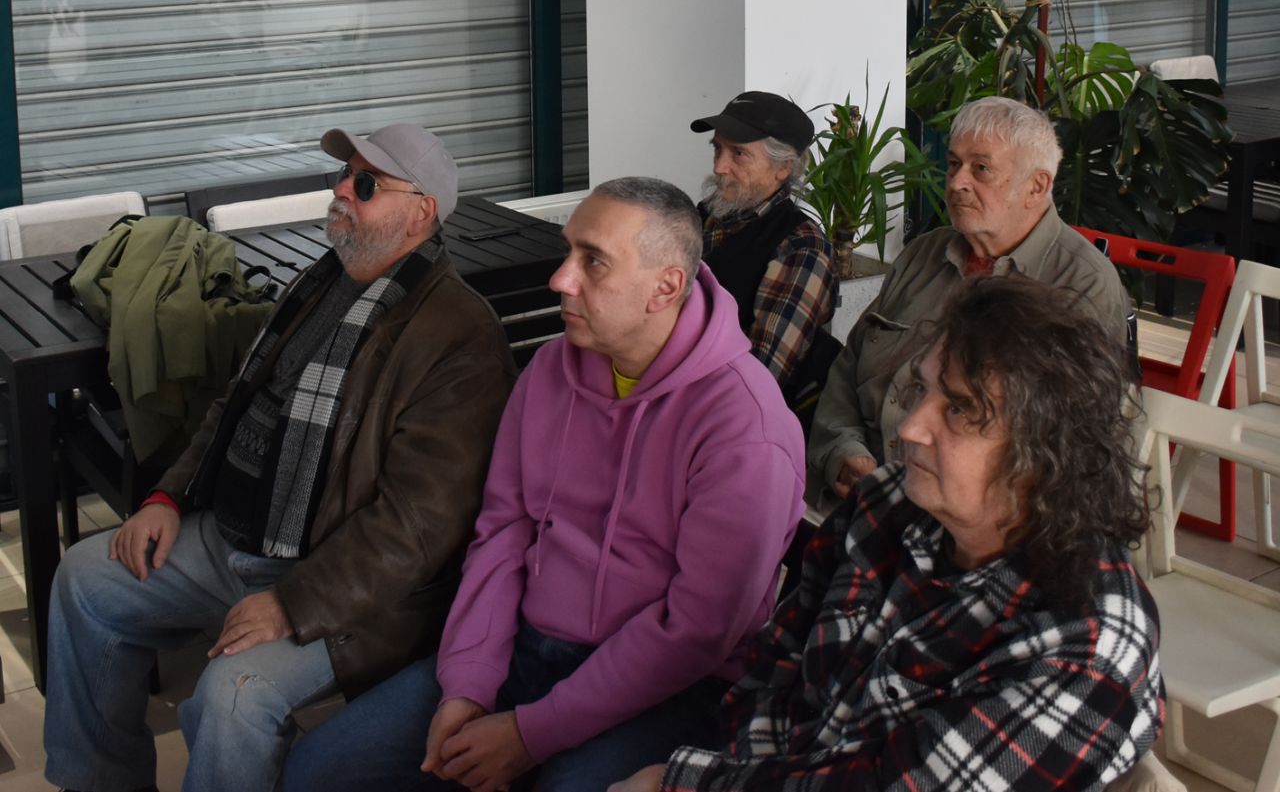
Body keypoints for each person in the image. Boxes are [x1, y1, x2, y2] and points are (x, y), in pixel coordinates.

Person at [281, 176, 807, 792]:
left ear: (665, 287)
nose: (560, 279)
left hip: (673, 687)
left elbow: (696, 631)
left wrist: (532, 734)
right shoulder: (550, 370)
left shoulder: (746, 427)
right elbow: (502, 532)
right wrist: (468, 682)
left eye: (594, 262)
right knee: (319, 769)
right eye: (568, 252)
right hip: (526, 648)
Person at [43, 124, 517, 792]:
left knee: (233, 695)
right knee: (86, 581)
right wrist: (168, 496)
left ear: (421, 212)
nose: (342, 190)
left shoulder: (459, 335)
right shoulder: (319, 283)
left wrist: (293, 604)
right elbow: (233, 408)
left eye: (367, 183)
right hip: (236, 541)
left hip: (344, 590)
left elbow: (417, 527)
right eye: (344, 175)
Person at [611, 275, 1162, 792]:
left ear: (1045, 452)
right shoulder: (887, 503)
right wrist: (730, 768)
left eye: (960, 409)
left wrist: (685, 782)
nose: (911, 426)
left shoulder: (1087, 647)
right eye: (923, 390)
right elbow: (773, 671)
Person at [807, 95, 1132, 509]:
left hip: (976, 511)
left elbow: (1068, 442)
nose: (958, 182)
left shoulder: (1080, 284)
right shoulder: (923, 254)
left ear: (1036, 186)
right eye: (954, 164)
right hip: (863, 493)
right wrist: (842, 449)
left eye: (981, 168)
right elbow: (850, 364)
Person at [692, 90, 837, 392]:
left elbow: (759, 379)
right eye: (717, 148)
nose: (719, 167)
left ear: (784, 168)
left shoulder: (801, 248)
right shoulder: (703, 217)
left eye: (738, 154)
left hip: (722, 409)